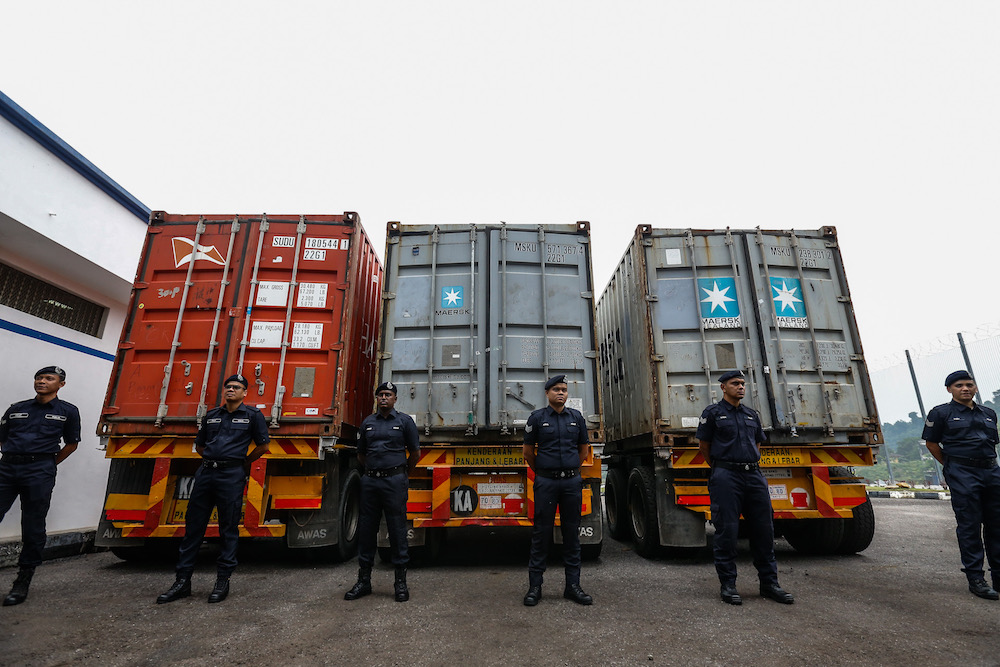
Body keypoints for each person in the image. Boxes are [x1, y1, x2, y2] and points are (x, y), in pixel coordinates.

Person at [156, 373, 269, 604]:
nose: (231, 390)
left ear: (245, 393)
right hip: (206, 474)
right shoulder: (212, 416)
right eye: (228, 386)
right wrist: (210, 461)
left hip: (231, 475)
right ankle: (182, 582)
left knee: (228, 529)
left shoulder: (253, 416)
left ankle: (222, 582)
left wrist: (241, 463)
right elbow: (200, 444)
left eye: (236, 387)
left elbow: (263, 445)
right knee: (193, 529)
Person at [696, 370, 793, 606]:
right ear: (723, 387)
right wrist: (722, 467)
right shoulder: (713, 413)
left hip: (754, 476)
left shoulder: (752, 415)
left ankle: (769, 584)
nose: (740, 387)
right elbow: (704, 446)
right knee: (727, 531)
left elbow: (757, 443)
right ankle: (728, 585)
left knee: (764, 530)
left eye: (742, 384)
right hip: (726, 476)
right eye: (735, 383)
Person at [0, 366, 81, 607]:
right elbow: (2, 437)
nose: (41, 382)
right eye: (39, 377)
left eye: (48, 378)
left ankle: (23, 579)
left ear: (61, 384)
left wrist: (47, 464)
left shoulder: (68, 411)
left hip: (40, 471)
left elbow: (71, 443)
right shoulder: (17, 408)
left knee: (33, 525)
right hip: (7, 468)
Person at [922, 369, 1000, 600]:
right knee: (970, 526)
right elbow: (932, 443)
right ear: (950, 389)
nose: (965, 388)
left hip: (991, 471)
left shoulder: (988, 413)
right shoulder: (941, 413)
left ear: (975, 388)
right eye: (959, 386)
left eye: (969, 384)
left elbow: (992, 443)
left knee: (997, 525)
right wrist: (952, 466)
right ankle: (976, 579)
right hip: (962, 472)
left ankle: (998, 577)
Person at [344, 381, 420, 602]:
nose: (384, 398)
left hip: (394, 482)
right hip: (371, 482)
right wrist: (373, 471)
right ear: (376, 399)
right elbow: (361, 455)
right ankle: (364, 581)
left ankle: (400, 583)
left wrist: (401, 473)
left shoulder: (404, 422)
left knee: (397, 530)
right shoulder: (367, 423)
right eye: (380, 395)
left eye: (388, 394)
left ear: (395, 399)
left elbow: (415, 453)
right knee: (367, 530)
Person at [522, 374, 592, 606]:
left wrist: (571, 470)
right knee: (541, 534)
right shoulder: (537, 418)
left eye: (564, 389)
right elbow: (528, 453)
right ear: (547, 393)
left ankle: (573, 586)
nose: (561, 393)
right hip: (546, 483)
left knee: (572, 534)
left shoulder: (577, 418)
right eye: (556, 389)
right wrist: (544, 471)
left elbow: (583, 450)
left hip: (571, 483)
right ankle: (535, 587)